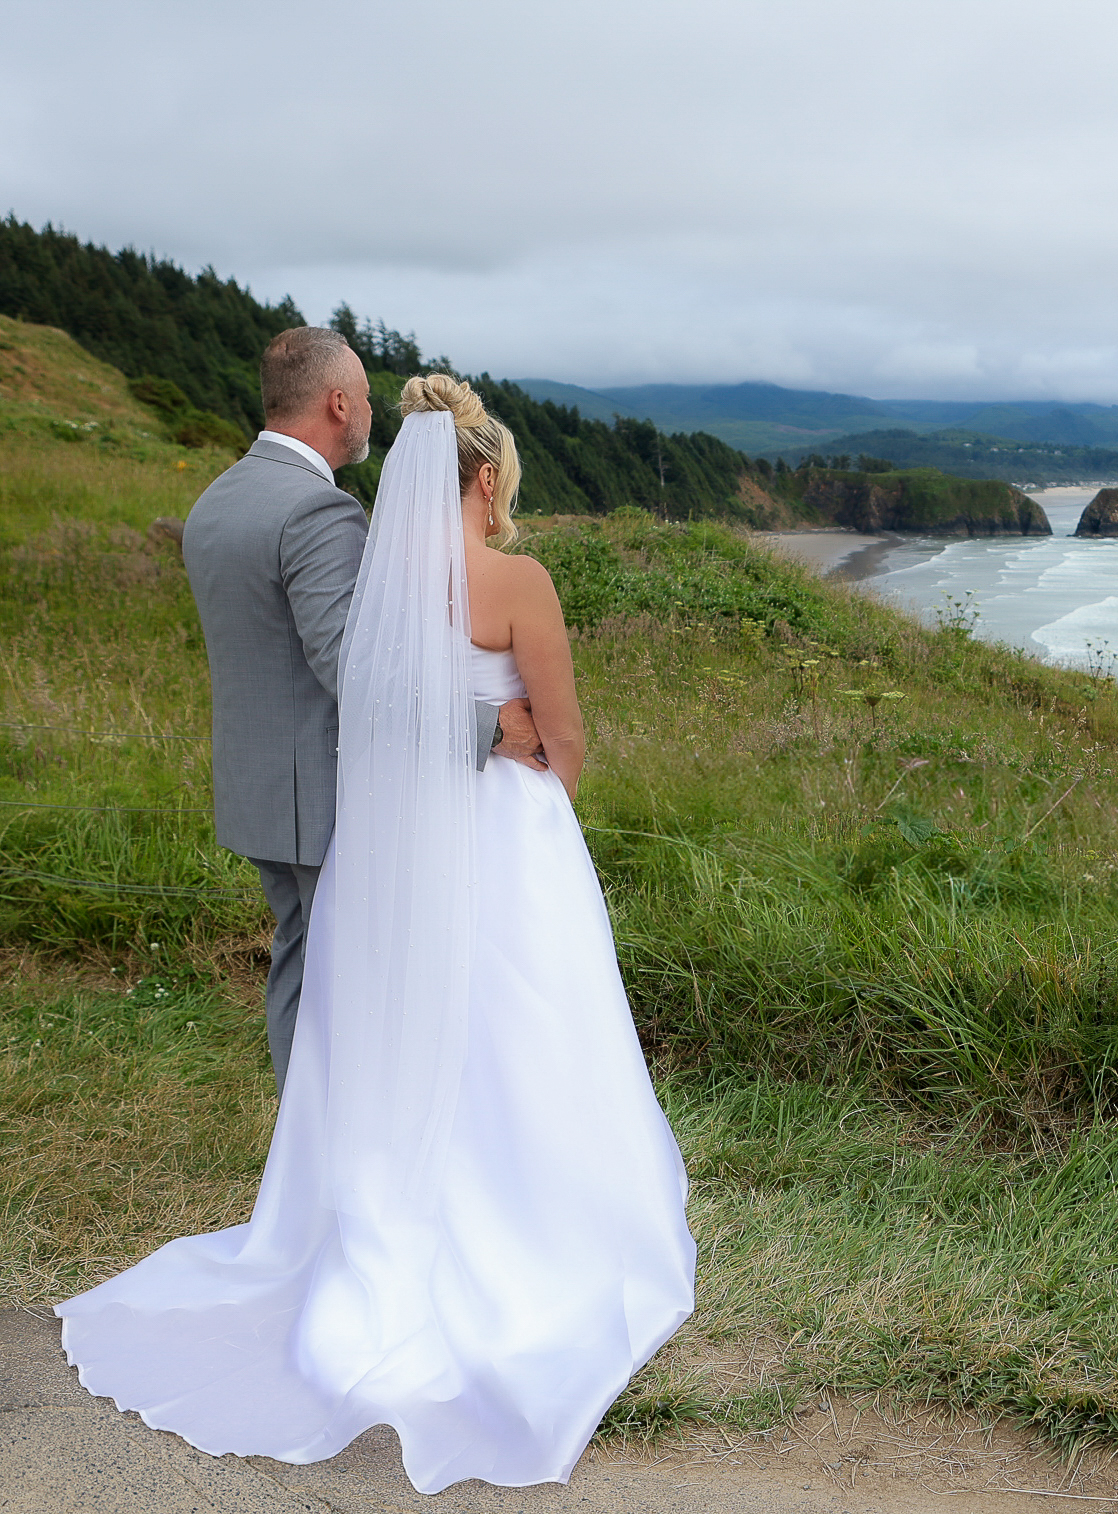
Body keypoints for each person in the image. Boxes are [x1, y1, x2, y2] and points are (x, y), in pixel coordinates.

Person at [56, 377, 697, 1493]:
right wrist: (556, 802)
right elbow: (563, 730)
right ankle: (544, 1226)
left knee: (398, 1027)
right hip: (505, 832)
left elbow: (364, 702)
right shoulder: (515, 578)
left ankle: (383, 1223)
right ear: (486, 476)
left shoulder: (380, 578)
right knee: (527, 1027)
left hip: (390, 846)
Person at [179, 326, 540, 1093]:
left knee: (303, 959)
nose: (374, 414)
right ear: (338, 403)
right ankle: (327, 1159)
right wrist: (486, 727)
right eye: (368, 399)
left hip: (258, 789)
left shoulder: (217, 498)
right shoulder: (319, 511)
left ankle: (305, 1154)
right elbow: (357, 666)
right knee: (344, 978)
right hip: (319, 793)